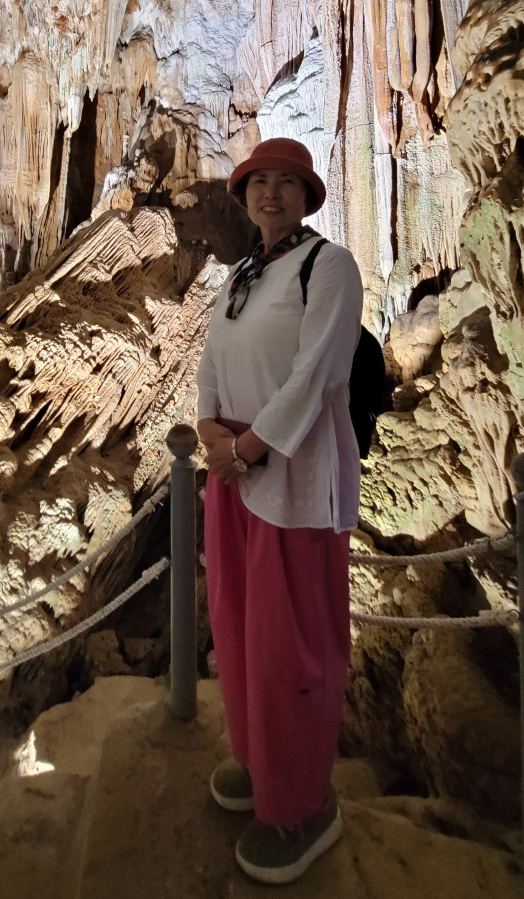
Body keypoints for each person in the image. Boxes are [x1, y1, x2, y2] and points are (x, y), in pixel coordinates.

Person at [196, 136, 363, 886]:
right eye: (258, 182)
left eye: (286, 183)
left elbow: (317, 371)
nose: (271, 193)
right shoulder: (241, 273)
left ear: (306, 197)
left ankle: (302, 805)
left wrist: (250, 446)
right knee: (238, 626)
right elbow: (212, 359)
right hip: (232, 469)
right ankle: (259, 759)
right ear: (244, 198)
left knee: (291, 642)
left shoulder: (328, 267)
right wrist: (209, 427)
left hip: (292, 473)